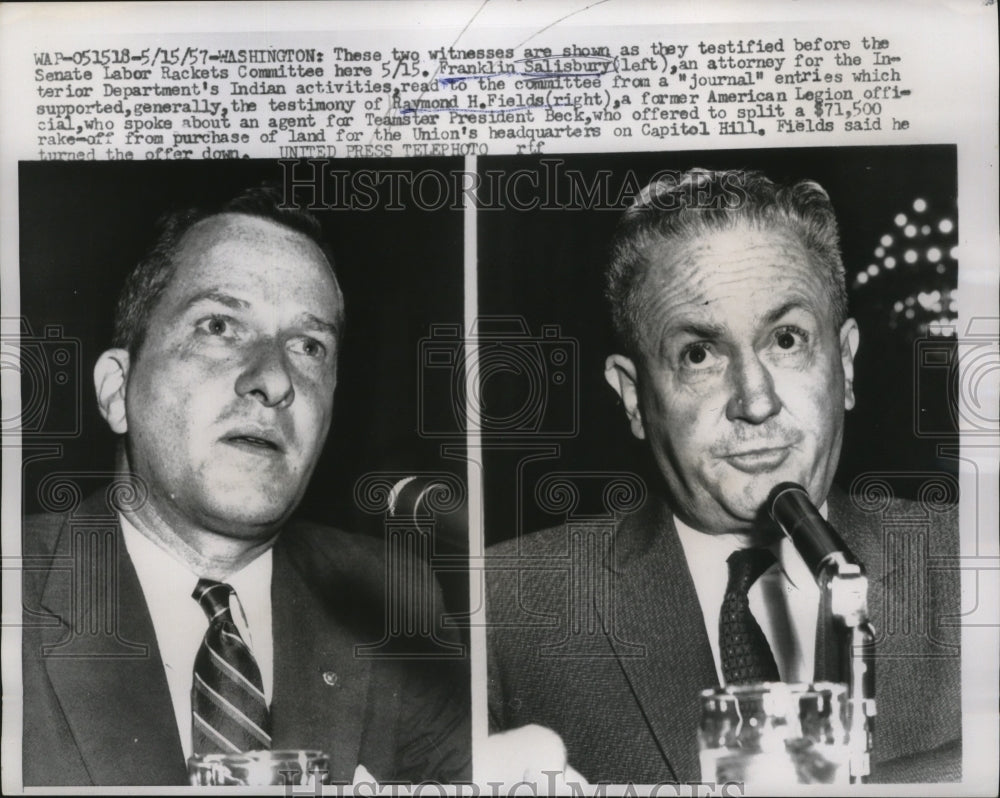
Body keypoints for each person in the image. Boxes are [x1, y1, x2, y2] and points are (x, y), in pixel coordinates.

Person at [487, 168, 961, 785]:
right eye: (699, 354)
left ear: (844, 363)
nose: (755, 400)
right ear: (634, 397)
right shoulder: (500, 609)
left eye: (787, 339)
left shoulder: (974, 557)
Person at [21, 187, 469, 786]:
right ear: (115, 391)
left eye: (310, 346)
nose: (274, 378)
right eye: (219, 325)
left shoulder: (394, 601)